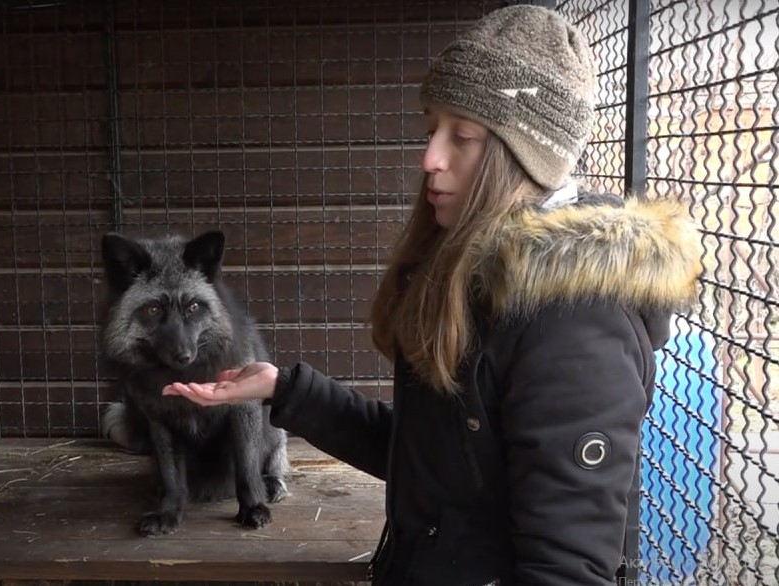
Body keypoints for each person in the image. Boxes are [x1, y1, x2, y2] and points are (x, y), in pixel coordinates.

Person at [162, 5, 703, 585]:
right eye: (431, 129)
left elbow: (565, 570)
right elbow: (439, 464)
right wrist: (287, 390)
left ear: (524, 156)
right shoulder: (478, 274)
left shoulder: (574, 325)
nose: (429, 159)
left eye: (462, 136)